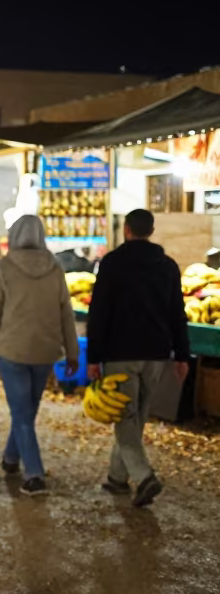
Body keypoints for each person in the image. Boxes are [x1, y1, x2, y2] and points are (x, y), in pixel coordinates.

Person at [86, 208, 189, 507]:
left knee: (124, 417)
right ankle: (117, 478)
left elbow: (99, 312)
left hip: (121, 353)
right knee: (137, 416)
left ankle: (144, 477)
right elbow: (176, 313)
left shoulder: (113, 263)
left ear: (127, 230)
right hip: (156, 353)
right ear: (151, 230)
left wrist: (93, 357)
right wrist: (182, 354)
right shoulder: (167, 265)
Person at [0, 216, 79, 495]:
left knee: (21, 413)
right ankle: (10, 458)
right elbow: (66, 314)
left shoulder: (4, 268)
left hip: (13, 351)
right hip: (46, 350)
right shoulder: (55, 269)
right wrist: (72, 352)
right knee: (26, 411)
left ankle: (34, 474)